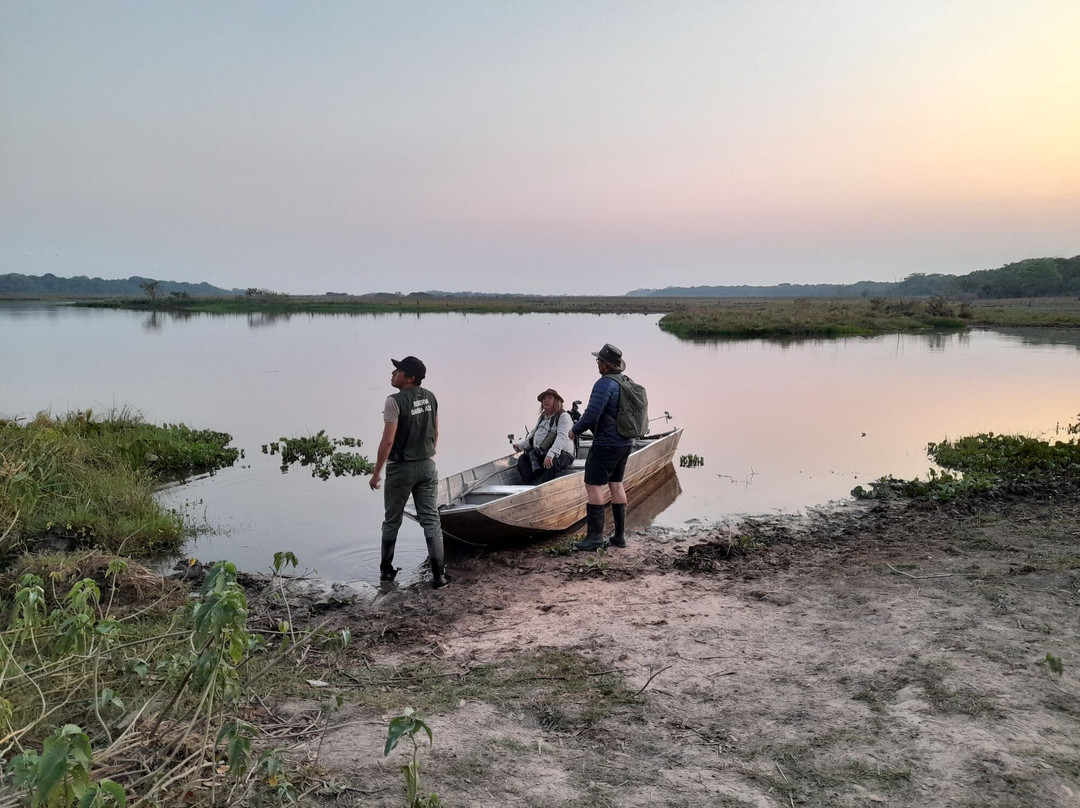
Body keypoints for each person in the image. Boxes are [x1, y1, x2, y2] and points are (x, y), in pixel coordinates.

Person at [369, 355, 449, 588]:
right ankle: (439, 575)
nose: (393, 374)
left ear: (410, 378)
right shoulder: (431, 397)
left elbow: (387, 442)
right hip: (427, 465)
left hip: (401, 469)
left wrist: (376, 473)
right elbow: (436, 432)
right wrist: (427, 456)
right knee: (431, 519)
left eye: (398, 371)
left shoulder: (394, 401)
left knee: (392, 520)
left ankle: (386, 572)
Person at [568, 343, 633, 550]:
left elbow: (591, 415)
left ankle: (595, 538)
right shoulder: (626, 382)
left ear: (606, 365)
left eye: (599, 361)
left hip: (606, 443)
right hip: (625, 442)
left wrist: (574, 430)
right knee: (616, 484)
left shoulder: (604, 384)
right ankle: (619, 537)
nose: (597, 364)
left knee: (593, 486)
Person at [513, 388, 576, 484]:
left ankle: (542, 486)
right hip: (543, 452)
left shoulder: (563, 416)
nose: (546, 400)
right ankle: (530, 485)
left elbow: (562, 437)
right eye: (544, 399)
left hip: (562, 454)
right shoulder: (542, 417)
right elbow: (533, 435)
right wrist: (520, 446)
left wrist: (551, 454)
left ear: (556, 401)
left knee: (552, 462)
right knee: (523, 459)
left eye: (549, 398)